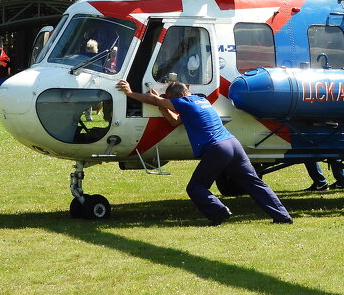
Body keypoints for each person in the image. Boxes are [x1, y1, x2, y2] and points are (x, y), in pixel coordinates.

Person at [117, 79, 293, 225]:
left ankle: (218, 211)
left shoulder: (184, 102)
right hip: (233, 144)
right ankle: (283, 216)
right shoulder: (202, 101)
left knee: (195, 187)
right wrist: (163, 105)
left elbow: (156, 101)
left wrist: (130, 93)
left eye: (170, 99)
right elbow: (175, 121)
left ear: (178, 96)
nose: (169, 101)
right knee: (254, 183)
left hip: (217, 148)